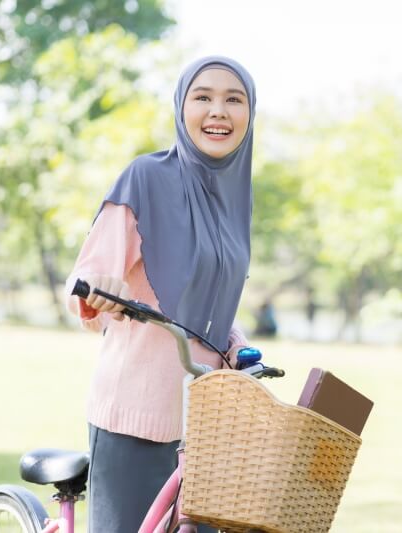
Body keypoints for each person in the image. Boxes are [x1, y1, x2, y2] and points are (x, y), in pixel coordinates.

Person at [64, 56, 257, 533]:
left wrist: (235, 344)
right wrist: (102, 292)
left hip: (206, 423)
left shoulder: (235, 198)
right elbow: (85, 281)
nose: (219, 111)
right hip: (135, 412)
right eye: (203, 97)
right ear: (181, 106)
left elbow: (208, 304)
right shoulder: (145, 178)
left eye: (234, 100)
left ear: (250, 116)